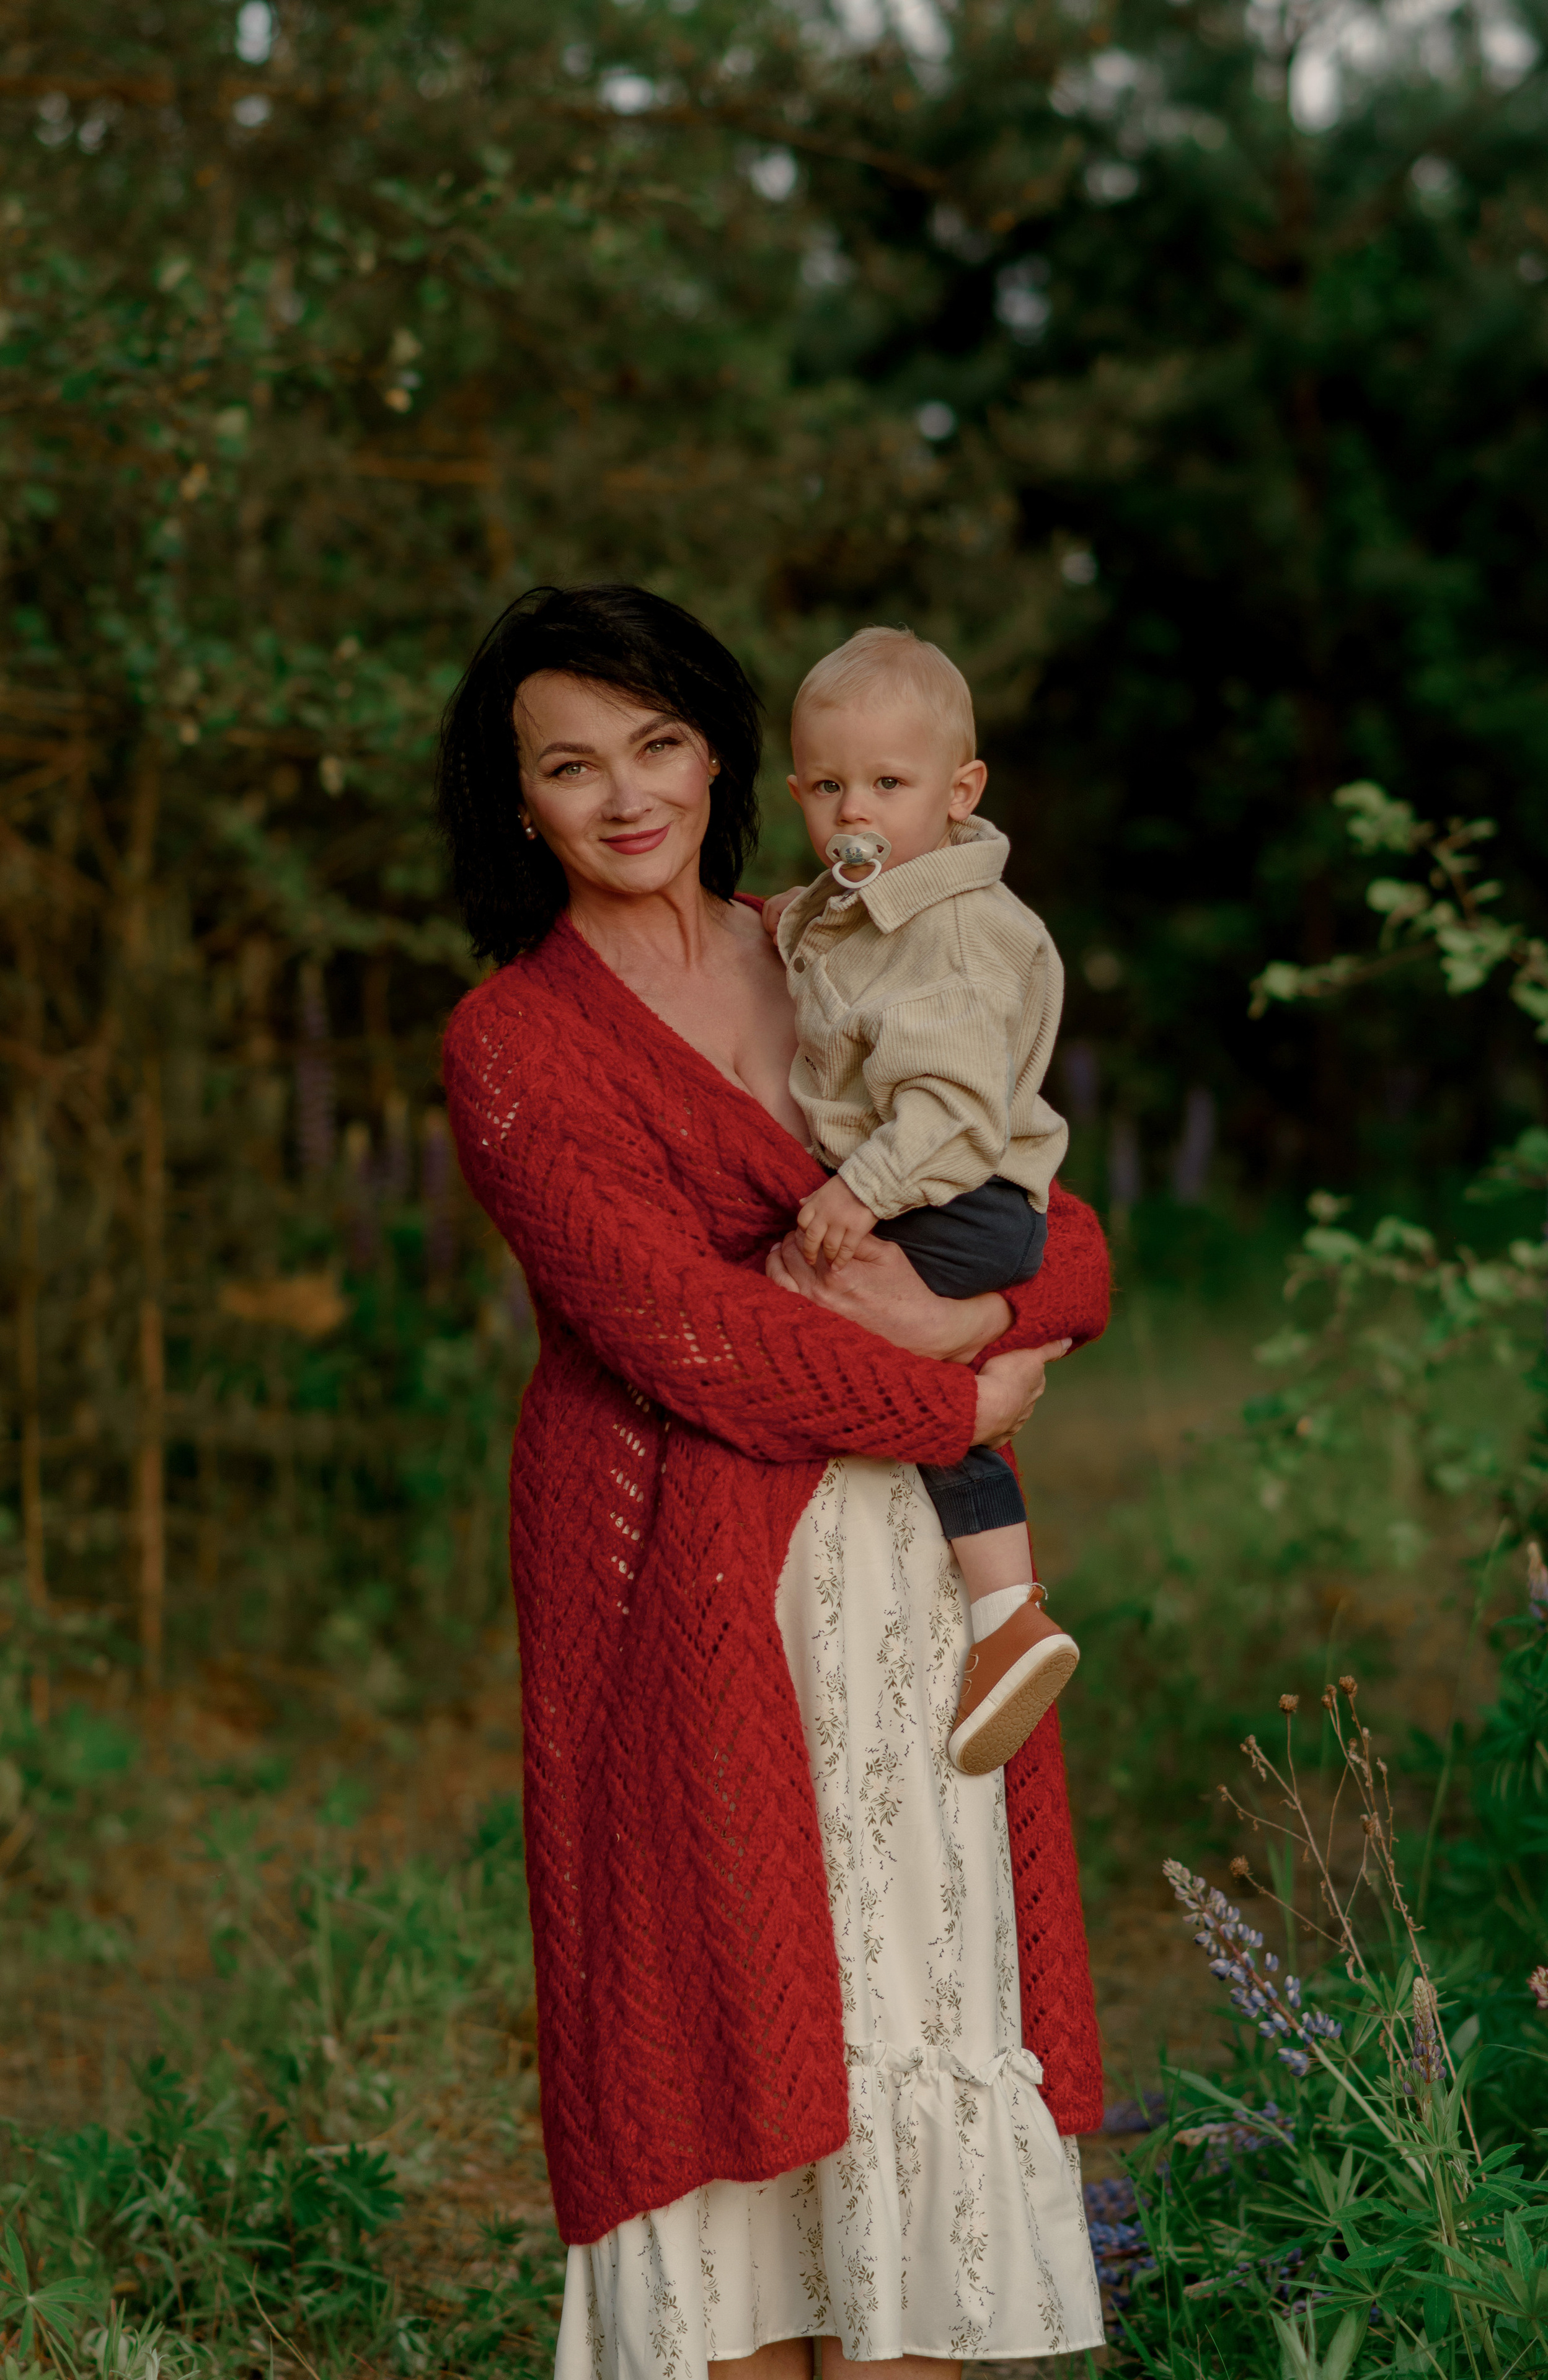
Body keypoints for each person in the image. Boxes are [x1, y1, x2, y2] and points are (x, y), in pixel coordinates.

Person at [438, 583, 1110, 2380]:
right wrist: (956, 1393)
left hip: (903, 1575)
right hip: (682, 1585)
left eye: (657, 744)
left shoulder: (838, 935)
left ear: (724, 759)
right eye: (569, 766)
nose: (625, 795)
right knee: (715, 2014)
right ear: (519, 803)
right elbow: (684, 1337)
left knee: (914, 1985)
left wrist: (1002, 1309)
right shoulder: (513, 1044)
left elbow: (1053, 1217)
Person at [759, 625, 1079, 1779]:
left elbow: (948, 1110)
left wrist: (860, 1192)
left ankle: (1007, 1613)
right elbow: (826, 966)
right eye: (828, 787)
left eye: (889, 786)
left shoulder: (951, 932)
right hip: (949, 1189)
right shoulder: (862, 905)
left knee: (817, 1297)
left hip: (961, 1191)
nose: (856, 812)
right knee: (924, 1368)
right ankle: (1005, 1616)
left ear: (960, 792)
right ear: (796, 792)